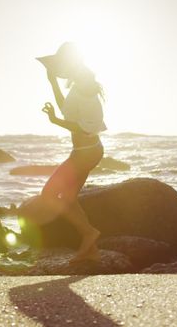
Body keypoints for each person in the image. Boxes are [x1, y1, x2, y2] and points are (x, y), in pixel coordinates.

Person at [35, 42, 108, 263]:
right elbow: (67, 109)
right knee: (68, 197)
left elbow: (85, 127)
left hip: (86, 152)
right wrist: (52, 82)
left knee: (49, 194)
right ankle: (91, 247)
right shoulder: (79, 84)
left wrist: (54, 120)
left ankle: (88, 233)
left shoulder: (86, 88)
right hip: (85, 151)